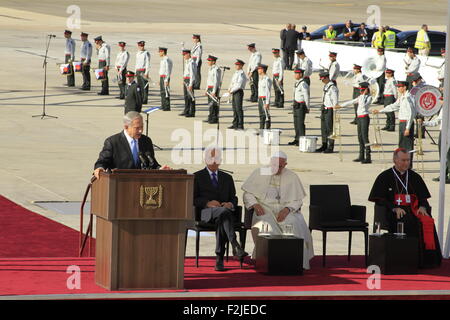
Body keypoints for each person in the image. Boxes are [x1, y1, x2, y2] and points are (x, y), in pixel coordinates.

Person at [368, 148, 442, 268]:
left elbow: (423, 197)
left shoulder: (414, 177)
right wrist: (394, 208)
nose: (406, 163)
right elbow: (380, 199)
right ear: (395, 160)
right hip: (393, 212)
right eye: (403, 160)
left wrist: (423, 207)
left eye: (408, 160)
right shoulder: (385, 176)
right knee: (406, 220)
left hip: (413, 209)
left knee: (426, 220)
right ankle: (407, 259)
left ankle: (425, 261)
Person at [242, 151, 314, 270]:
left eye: (279, 166)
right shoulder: (259, 173)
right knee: (266, 226)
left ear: (285, 165)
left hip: (286, 211)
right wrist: (255, 205)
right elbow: (248, 194)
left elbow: (298, 200)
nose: (276, 168)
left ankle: (295, 261)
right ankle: (269, 262)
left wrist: (287, 209)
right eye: (273, 165)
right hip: (265, 210)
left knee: (293, 224)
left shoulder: (292, 176)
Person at [193, 147, 248, 271]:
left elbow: (233, 197)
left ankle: (219, 260)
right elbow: (193, 198)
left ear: (220, 160)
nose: (213, 161)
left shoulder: (227, 178)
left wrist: (230, 204)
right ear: (205, 159)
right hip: (205, 213)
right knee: (224, 214)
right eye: (211, 158)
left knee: (222, 217)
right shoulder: (197, 176)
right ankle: (234, 245)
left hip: (223, 213)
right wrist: (207, 203)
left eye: (216, 158)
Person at [94, 111, 161, 179]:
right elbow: (101, 162)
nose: (140, 131)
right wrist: (100, 168)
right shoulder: (113, 142)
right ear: (126, 127)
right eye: (137, 128)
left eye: (142, 127)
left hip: (143, 184)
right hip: (120, 182)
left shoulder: (146, 141)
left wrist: (160, 169)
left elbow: (152, 163)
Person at [373, 81, 416, 164]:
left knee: (407, 146)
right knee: (401, 145)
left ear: (405, 87)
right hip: (402, 122)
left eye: (400, 87)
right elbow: (393, 106)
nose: (398, 88)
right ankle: (402, 163)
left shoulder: (408, 97)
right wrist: (380, 111)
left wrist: (408, 128)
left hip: (407, 123)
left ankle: (408, 165)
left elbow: (411, 113)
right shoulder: (402, 97)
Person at [337, 82, 372, 163]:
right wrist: (341, 105)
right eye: (360, 90)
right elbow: (352, 102)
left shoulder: (368, 97)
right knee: (360, 137)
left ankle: (368, 156)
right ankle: (361, 155)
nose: (360, 91)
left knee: (365, 137)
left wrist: (364, 94)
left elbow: (363, 105)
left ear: (366, 89)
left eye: (362, 90)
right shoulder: (360, 97)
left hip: (364, 118)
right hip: (359, 118)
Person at [422, 97, 450, 183]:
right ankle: (443, 174)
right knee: (442, 154)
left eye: (442, 99)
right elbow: (438, 121)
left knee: (448, 155)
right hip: (443, 131)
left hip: (448, 132)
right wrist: (425, 123)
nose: (440, 101)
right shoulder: (443, 109)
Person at [316, 71, 339, 153]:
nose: (322, 81)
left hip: (330, 109)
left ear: (326, 78)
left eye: (322, 79)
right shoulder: (326, 86)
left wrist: (335, 111)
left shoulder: (332, 87)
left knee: (329, 129)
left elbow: (335, 100)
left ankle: (330, 146)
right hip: (324, 108)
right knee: (323, 128)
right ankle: (324, 144)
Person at [288, 68, 310, 146]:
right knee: (296, 123)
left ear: (300, 74)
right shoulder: (297, 83)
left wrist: (307, 107)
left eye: (297, 74)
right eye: (295, 73)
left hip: (301, 105)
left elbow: (306, 96)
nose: (295, 75)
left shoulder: (303, 84)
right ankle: (297, 138)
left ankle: (301, 139)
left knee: (300, 123)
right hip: (296, 104)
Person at [228, 59, 247, 130]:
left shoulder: (241, 74)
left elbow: (239, 85)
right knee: (234, 109)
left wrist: (231, 90)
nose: (236, 66)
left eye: (238, 65)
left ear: (241, 66)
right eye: (236, 65)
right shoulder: (236, 73)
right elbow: (232, 82)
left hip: (238, 92)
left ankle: (240, 125)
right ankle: (235, 123)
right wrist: (229, 88)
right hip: (234, 92)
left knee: (238, 109)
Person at [204, 55, 221, 124]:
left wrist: (214, 91)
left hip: (214, 88)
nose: (208, 62)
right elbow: (208, 80)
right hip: (210, 88)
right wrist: (206, 89)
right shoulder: (210, 68)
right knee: (210, 104)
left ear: (213, 62)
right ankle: (210, 117)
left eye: (209, 61)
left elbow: (216, 81)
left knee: (213, 104)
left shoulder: (216, 69)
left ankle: (214, 118)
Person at [180, 49, 197, 117]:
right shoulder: (187, 62)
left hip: (189, 80)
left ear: (188, 54)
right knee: (186, 96)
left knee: (191, 97)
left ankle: (192, 112)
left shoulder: (191, 62)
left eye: (184, 55)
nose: (184, 56)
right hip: (186, 80)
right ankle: (186, 110)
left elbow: (192, 74)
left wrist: (190, 84)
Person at [257, 64, 272, 130]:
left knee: (266, 114)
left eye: (259, 69)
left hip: (264, 99)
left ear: (262, 70)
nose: (258, 70)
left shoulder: (267, 79)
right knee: (261, 115)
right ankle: (261, 129)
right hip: (260, 98)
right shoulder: (261, 79)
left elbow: (268, 91)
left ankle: (268, 129)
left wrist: (267, 102)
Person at [158, 47, 173, 111]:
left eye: (160, 52)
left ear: (163, 52)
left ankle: (166, 106)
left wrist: (166, 79)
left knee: (166, 91)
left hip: (165, 77)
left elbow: (168, 70)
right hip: (162, 77)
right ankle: (163, 105)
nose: (159, 53)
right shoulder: (163, 59)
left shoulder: (166, 60)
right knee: (162, 92)